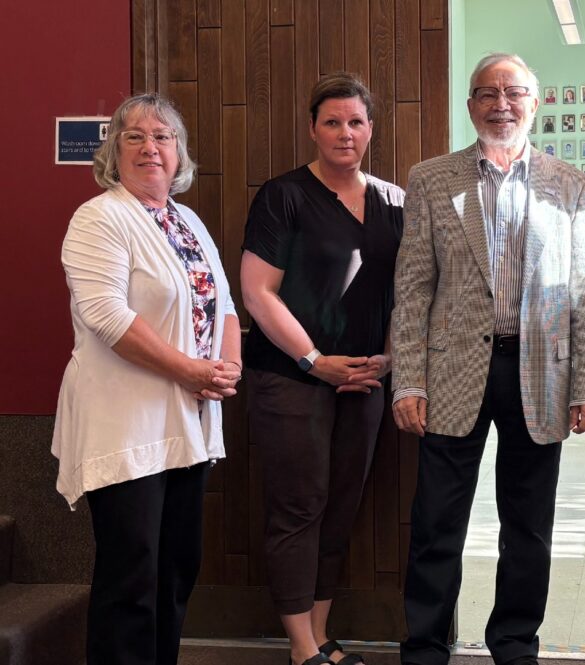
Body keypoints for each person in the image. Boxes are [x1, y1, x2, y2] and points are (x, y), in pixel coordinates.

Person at [392, 53, 585, 665]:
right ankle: (425, 646)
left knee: (530, 526)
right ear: (470, 106)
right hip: (451, 371)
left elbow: (581, 293)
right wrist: (408, 379)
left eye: (513, 92)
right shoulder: (431, 179)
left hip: (540, 372)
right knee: (437, 521)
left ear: (534, 104)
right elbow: (413, 287)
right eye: (487, 93)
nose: (501, 104)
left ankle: (514, 644)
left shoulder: (570, 184)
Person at [54, 92, 241, 665]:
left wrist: (227, 369)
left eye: (162, 136)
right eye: (133, 136)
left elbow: (225, 305)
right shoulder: (99, 217)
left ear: (178, 151)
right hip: (126, 426)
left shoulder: (187, 221)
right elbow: (107, 316)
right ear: (114, 150)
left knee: (175, 572)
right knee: (130, 579)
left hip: (186, 423)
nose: (149, 147)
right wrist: (192, 370)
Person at [240, 72, 404, 665]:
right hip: (292, 378)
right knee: (299, 506)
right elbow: (257, 292)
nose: (344, 133)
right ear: (312, 128)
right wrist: (314, 360)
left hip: (364, 381)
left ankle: (320, 632)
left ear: (370, 129)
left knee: (340, 508)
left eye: (355, 121)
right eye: (332, 122)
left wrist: (388, 358)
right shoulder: (283, 196)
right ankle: (300, 646)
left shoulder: (394, 202)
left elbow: (407, 292)